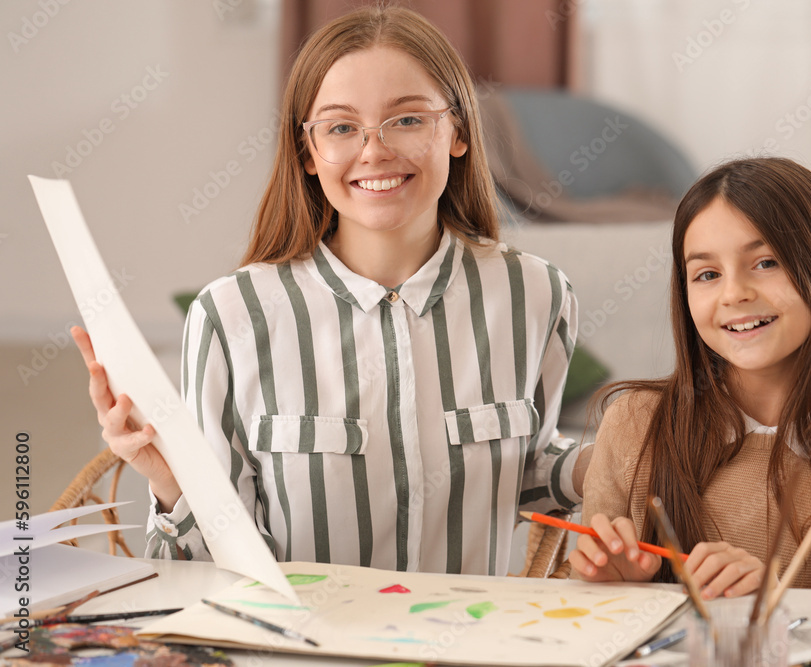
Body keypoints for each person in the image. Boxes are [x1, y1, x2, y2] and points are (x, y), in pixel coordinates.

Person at [71, 5, 590, 576]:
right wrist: (170, 481)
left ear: (459, 132)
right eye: (341, 127)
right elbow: (200, 577)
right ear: (308, 154)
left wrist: (612, 462)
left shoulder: (535, 294)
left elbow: (530, 473)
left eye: (408, 120)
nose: (375, 150)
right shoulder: (229, 317)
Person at [568, 157, 811, 596]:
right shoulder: (634, 425)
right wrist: (616, 586)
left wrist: (774, 609)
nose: (734, 293)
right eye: (707, 274)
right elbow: (591, 623)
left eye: (765, 263)